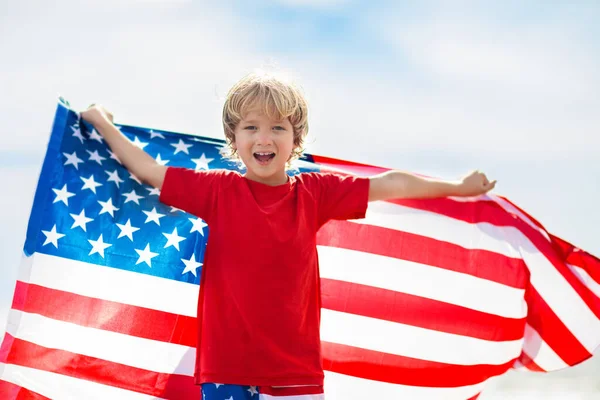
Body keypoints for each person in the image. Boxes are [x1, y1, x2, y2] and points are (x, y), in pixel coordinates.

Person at [80, 71, 496, 399]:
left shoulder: (315, 193)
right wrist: (102, 124)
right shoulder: (218, 191)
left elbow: (392, 184)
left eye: (278, 128)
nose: (264, 138)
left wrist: (458, 187)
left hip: (295, 371)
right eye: (251, 127)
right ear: (234, 138)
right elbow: (150, 171)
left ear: (295, 138)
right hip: (227, 370)